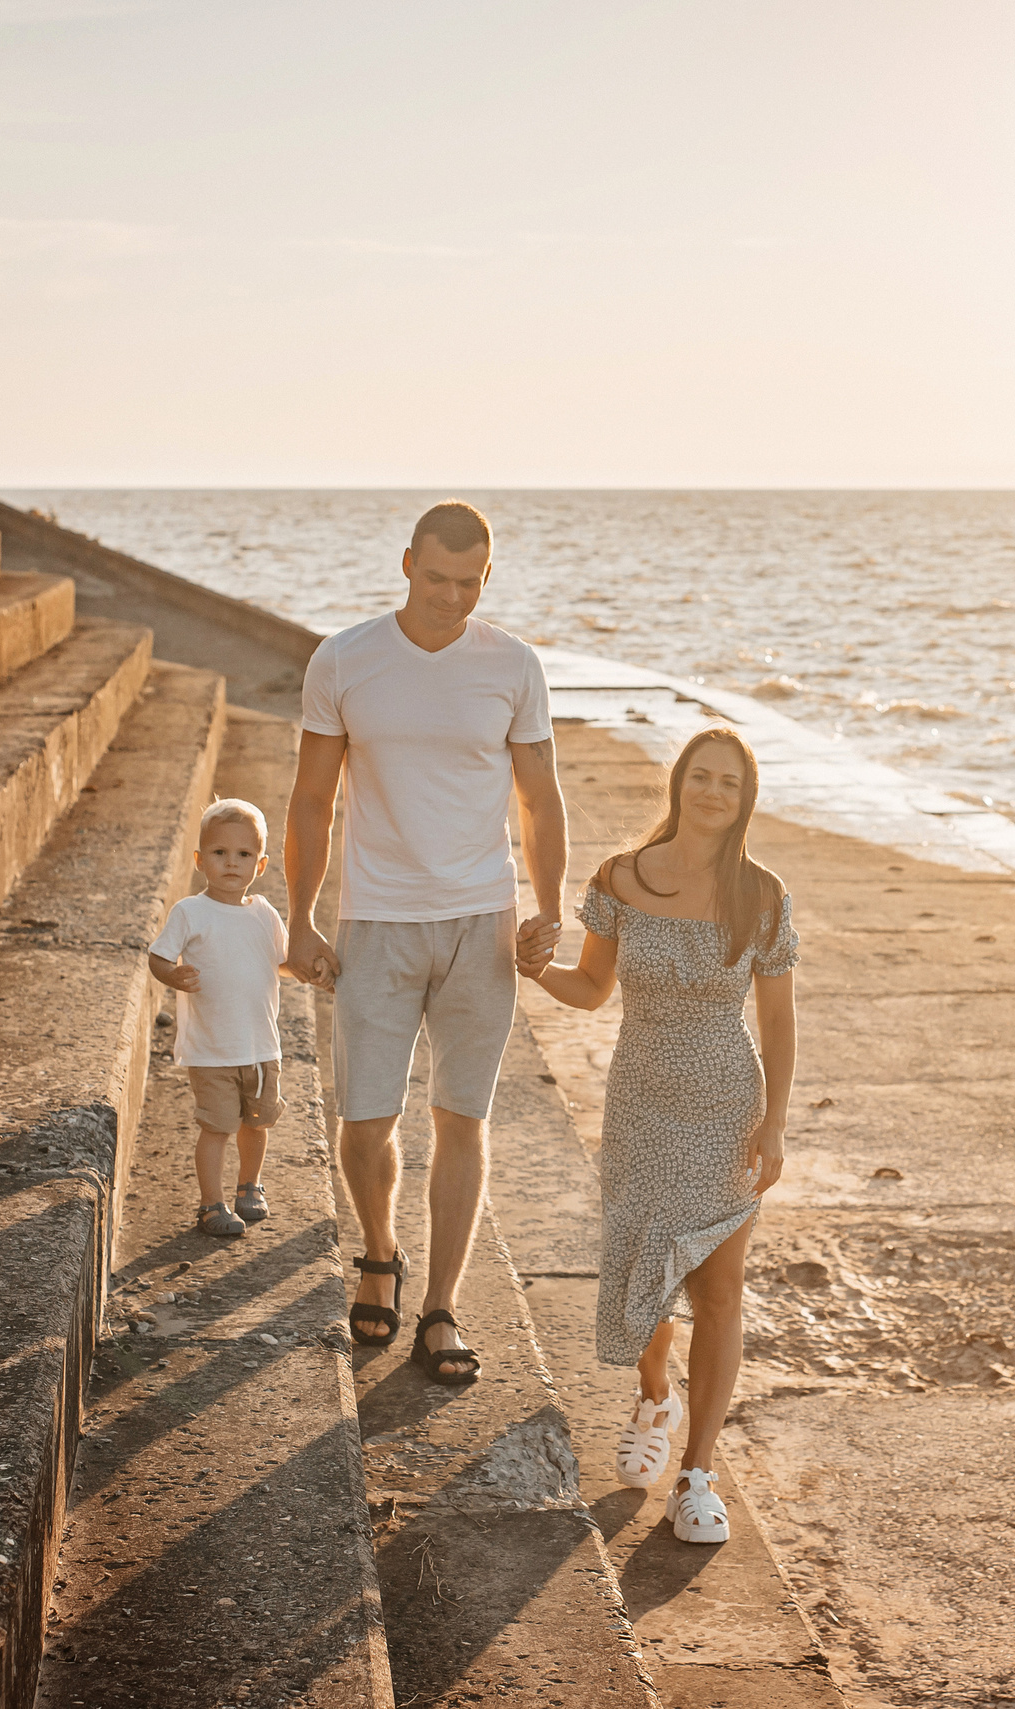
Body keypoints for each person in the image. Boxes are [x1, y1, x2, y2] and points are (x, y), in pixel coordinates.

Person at [283, 500, 566, 1384]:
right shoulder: (346, 660)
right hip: (376, 919)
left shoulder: (513, 666)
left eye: (470, 583)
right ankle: (378, 1249)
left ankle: (441, 1304)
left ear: (489, 577)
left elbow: (542, 798)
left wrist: (547, 907)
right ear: (406, 563)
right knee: (365, 1118)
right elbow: (309, 800)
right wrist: (298, 916)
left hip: (483, 921)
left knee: (462, 1118)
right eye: (437, 578)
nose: (451, 598)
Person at [520, 725, 797, 1545]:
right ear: (678, 782)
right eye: (701, 777)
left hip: (726, 1108)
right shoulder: (621, 878)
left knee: (718, 1291)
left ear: (745, 800)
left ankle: (697, 1471)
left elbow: (778, 1023)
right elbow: (592, 987)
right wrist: (531, 966)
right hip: (640, 1105)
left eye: (731, 784)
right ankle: (654, 1396)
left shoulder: (762, 892)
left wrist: (774, 1122)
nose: (713, 793)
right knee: (645, 1274)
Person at [147, 798, 289, 1239]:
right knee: (217, 1127)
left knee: (258, 1121)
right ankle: (211, 1204)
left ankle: (250, 1185)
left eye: (244, 854)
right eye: (219, 853)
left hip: (261, 1046)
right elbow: (157, 955)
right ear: (199, 859)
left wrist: (316, 970)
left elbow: (285, 962)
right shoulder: (191, 911)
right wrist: (173, 975)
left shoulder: (265, 913)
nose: (232, 863)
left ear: (260, 865)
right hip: (212, 1050)